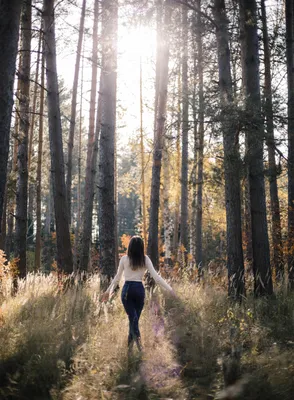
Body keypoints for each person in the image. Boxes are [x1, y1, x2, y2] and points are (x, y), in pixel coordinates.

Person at [101, 236, 176, 351]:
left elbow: (117, 278)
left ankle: (130, 351)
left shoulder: (125, 259)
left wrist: (107, 291)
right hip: (139, 291)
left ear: (130, 247)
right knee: (134, 319)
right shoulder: (145, 259)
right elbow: (156, 277)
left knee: (133, 320)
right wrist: (170, 289)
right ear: (141, 247)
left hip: (127, 291)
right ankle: (139, 348)